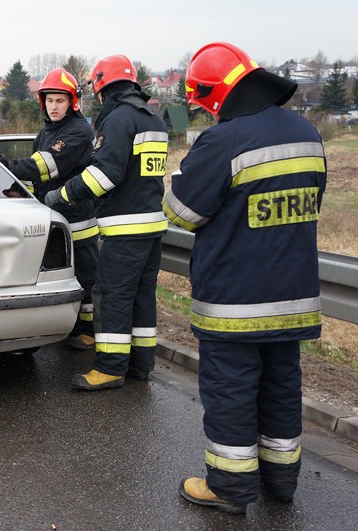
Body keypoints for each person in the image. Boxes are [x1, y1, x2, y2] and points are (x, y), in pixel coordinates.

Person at [162, 42, 326, 514]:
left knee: (231, 390)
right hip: (293, 297)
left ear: (214, 95)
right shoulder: (308, 133)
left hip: (235, 300)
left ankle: (230, 489)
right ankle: (282, 480)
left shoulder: (224, 140)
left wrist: (180, 177)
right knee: (280, 386)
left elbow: (183, 213)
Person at [45, 54, 168, 389]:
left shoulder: (117, 119)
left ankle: (111, 368)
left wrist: (63, 195)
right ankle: (141, 365)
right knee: (142, 297)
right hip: (153, 226)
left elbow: (105, 175)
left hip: (125, 229)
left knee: (112, 295)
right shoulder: (153, 118)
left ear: (102, 87)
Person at [0, 68, 98, 350]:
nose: (53, 106)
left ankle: (86, 330)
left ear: (72, 102)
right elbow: (35, 176)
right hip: (53, 219)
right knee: (55, 277)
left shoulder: (78, 131)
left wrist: (6, 166)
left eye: (59, 101)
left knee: (84, 279)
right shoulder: (48, 131)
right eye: (50, 100)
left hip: (78, 222)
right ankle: (62, 326)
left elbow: (43, 166)